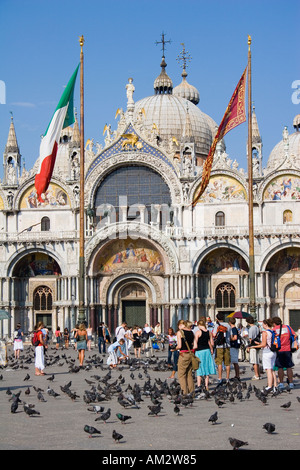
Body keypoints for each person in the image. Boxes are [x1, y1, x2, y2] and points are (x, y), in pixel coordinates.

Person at [248, 318, 277, 391]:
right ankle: (275, 386)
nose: (262, 325)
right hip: (273, 352)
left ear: (266, 324)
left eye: (263, 324)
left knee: (268, 370)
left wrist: (254, 346)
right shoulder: (272, 331)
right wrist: (259, 343)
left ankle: (269, 386)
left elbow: (264, 345)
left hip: (267, 352)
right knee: (272, 370)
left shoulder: (265, 333)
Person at [272, 316, 297, 389]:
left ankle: (281, 383)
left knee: (280, 367)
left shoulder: (274, 329)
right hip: (288, 349)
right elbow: (294, 335)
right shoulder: (288, 327)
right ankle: (291, 383)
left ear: (274, 323)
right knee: (289, 367)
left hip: (279, 350)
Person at [193, 317, 216, 390]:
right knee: (207, 368)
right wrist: (211, 349)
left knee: (199, 368)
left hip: (199, 352)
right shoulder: (209, 332)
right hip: (207, 351)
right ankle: (206, 386)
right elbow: (211, 343)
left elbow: (195, 344)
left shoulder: (198, 332)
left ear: (199, 325)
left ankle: (199, 385)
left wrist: (193, 348)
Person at [176, 319, 195, 396]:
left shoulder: (180, 332)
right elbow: (193, 344)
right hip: (190, 354)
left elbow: (179, 346)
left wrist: (174, 348)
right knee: (189, 374)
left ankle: (185, 393)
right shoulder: (192, 332)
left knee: (181, 374)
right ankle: (192, 393)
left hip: (183, 354)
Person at [212, 312, 231, 384]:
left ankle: (220, 378)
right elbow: (231, 336)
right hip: (227, 346)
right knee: (227, 363)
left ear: (217, 318)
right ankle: (227, 378)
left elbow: (214, 335)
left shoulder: (217, 325)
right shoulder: (228, 325)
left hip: (219, 346)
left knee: (219, 362)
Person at [247, 316, 261, 380]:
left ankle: (256, 375)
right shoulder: (256, 327)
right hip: (257, 345)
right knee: (257, 361)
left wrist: (248, 347)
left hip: (253, 346)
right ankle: (258, 374)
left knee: (254, 361)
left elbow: (250, 339)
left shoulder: (251, 329)